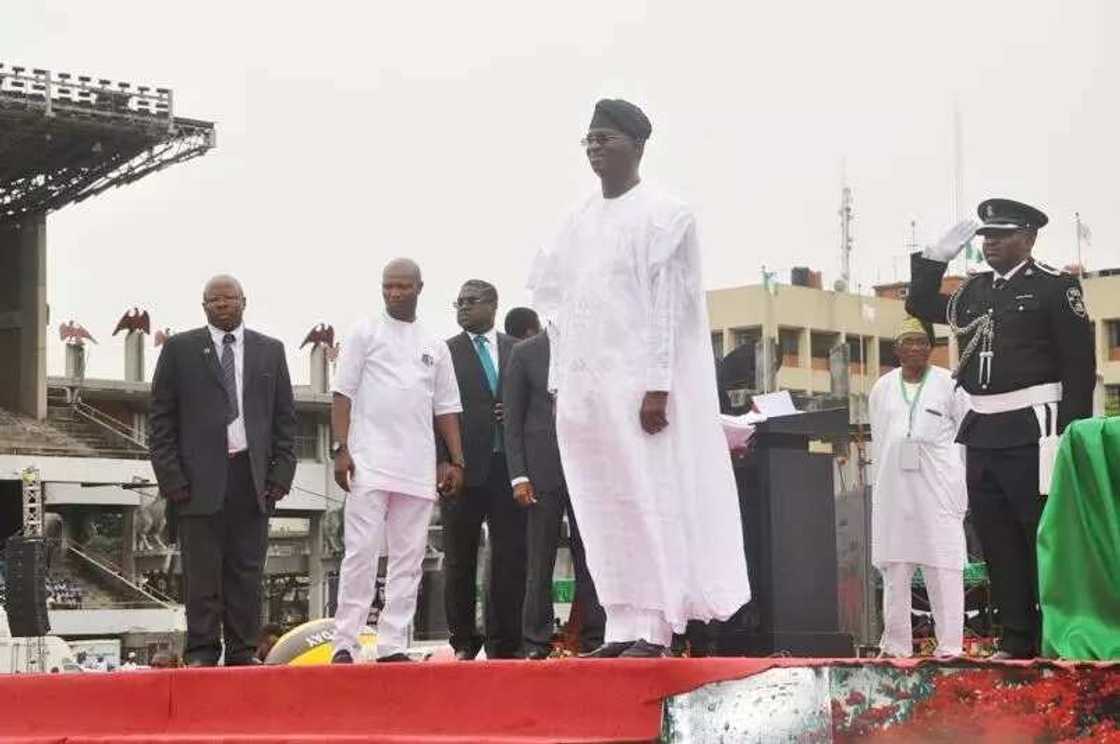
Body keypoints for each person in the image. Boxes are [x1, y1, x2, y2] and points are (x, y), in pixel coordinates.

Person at [528, 99, 751, 657]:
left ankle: (658, 627)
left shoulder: (665, 214)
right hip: (588, 389)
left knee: (649, 499)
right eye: (590, 139)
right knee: (602, 506)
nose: (596, 147)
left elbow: (668, 309)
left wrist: (658, 385)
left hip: (640, 390)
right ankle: (623, 623)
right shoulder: (576, 221)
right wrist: (560, 384)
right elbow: (559, 307)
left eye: (607, 138)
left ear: (638, 146)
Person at [906, 199, 1096, 659]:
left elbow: (1078, 364)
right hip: (983, 428)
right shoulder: (974, 291)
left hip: (1037, 428)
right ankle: (1015, 637)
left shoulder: (1055, 287)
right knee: (995, 537)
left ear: (1028, 238)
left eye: (1000, 235)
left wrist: (1073, 433)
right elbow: (920, 304)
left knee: (1039, 535)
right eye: (985, 236)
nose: (989, 244)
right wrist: (933, 259)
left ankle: (1055, 632)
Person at [149, 274, 297, 667]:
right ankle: (201, 650)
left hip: (252, 480)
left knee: (246, 574)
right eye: (214, 300)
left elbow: (285, 419)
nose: (222, 305)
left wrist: (281, 475)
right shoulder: (180, 349)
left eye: (229, 298)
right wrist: (171, 479)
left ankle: (243, 651)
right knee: (201, 575)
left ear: (244, 301)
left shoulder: (270, 351)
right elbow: (160, 420)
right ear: (204, 306)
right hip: (196, 484)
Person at [329, 259, 465, 664]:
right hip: (368, 463)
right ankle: (345, 641)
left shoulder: (434, 345)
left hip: (417, 467)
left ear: (420, 288)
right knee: (361, 553)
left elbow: (446, 408)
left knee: (409, 558)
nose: (393, 293)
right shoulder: (364, 332)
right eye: (387, 286)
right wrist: (342, 449)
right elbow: (342, 394)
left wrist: (456, 461)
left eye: (402, 287)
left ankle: (392, 644)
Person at [869, 317, 970, 658]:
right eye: (908, 342)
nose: (915, 348)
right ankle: (896, 646)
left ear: (930, 348)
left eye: (921, 342)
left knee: (943, 564)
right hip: (895, 488)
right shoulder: (882, 387)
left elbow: (966, 434)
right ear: (896, 350)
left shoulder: (950, 383)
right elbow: (879, 438)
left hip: (937, 485)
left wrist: (960, 483)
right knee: (896, 566)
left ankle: (951, 647)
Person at [503, 327, 605, 658]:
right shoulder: (526, 352)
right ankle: (536, 642)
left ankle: (596, 638)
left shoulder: (596, 347)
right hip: (540, 471)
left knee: (592, 557)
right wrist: (519, 476)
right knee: (539, 558)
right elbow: (512, 421)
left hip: (588, 470)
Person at [440, 280, 526, 659]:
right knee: (459, 558)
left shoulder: (517, 349)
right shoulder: (445, 352)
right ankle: (462, 641)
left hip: (510, 466)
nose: (462, 308)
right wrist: (444, 460)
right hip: (462, 469)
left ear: (493, 304)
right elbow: (435, 410)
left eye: (470, 302)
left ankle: (505, 642)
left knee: (510, 556)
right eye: (458, 302)